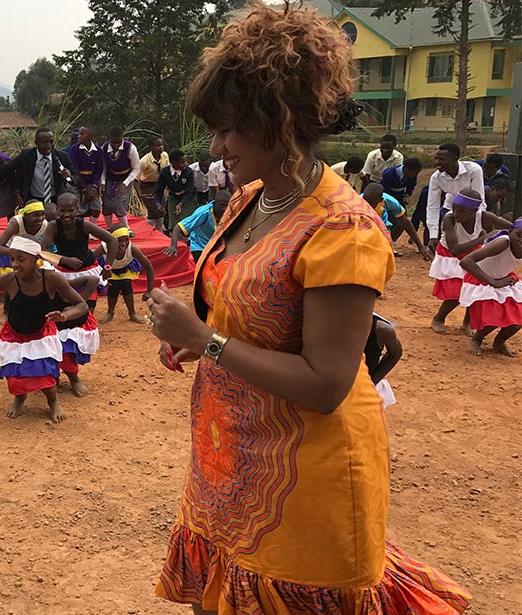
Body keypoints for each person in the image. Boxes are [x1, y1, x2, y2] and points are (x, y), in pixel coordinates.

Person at [145, 5, 470, 613]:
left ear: (280, 122)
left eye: (230, 129)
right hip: (231, 457)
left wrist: (208, 340)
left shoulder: (342, 228)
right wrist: (205, 333)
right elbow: (256, 308)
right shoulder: (251, 198)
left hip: (304, 477)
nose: (216, 147)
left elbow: (325, 384)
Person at [0, 236, 89, 422]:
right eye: (12, 259)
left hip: (41, 334)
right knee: (15, 375)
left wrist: (65, 316)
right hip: (14, 335)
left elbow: (81, 305)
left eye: (21, 259)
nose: (15, 264)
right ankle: (19, 396)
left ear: (35, 259)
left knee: (44, 375)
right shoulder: (8, 279)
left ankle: (53, 400)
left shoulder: (51, 278)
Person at [428, 189, 511, 334]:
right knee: (457, 291)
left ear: (474, 211)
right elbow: (455, 249)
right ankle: (439, 318)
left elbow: (509, 226)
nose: (456, 213)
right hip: (450, 256)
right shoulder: (450, 219)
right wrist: (483, 238)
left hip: (473, 253)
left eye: (461, 211)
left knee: (474, 289)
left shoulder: (484, 217)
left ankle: (467, 322)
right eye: (454, 209)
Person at [458, 219, 522, 356]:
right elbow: (466, 261)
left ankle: (499, 342)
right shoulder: (503, 243)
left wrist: (498, 282)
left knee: (518, 320)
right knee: (495, 317)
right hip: (481, 280)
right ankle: (477, 339)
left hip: (502, 279)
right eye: (519, 235)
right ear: (510, 231)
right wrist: (493, 282)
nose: (521, 241)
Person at [0, 127, 79, 207]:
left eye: (51, 141)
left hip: (56, 199)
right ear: (36, 143)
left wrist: (69, 176)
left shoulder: (61, 156)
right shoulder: (26, 155)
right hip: (33, 200)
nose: (48, 146)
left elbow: (76, 178)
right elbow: (5, 168)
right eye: (44, 142)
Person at [41, 192, 117, 296]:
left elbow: (112, 240)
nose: (66, 215)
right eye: (62, 210)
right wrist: (66, 260)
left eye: (71, 210)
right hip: (63, 271)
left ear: (77, 209)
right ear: (57, 210)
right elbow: (42, 249)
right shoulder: (53, 226)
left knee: (88, 307)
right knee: (64, 305)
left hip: (88, 269)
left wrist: (108, 266)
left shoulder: (84, 225)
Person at [426, 143, 486, 249]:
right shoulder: (436, 177)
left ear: (455, 158)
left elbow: (479, 200)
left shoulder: (473, 170)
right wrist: (433, 235)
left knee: (471, 246)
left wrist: (479, 226)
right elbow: (433, 206)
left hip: (471, 212)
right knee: (448, 245)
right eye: (437, 159)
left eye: (442, 159)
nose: (437, 163)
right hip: (450, 210)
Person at [95, 225, 154, 324]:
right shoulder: (104, 248)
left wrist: (149, 290)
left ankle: (132, 313)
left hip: (126, 268)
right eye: (119, 240)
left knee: (126, 285)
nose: (123, 244)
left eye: (126, 240)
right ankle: (110, 312)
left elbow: (148, 266)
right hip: (109, 270)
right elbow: (91, 258)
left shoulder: (132, 249)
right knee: (113, 288)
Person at [361, 183, 431, 260]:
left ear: (380, 200)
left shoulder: (390, 202)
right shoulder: (356, 201)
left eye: (371, 202)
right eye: (365, 201)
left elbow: (405, 222)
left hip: (381, 230)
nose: (367, 204)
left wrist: (420, 246)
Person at [164, 190, 231, 263]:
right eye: (222, 205)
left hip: (216, 246)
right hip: (200, 246)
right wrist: (173, 245)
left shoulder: (231, 211)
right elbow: (178, 227)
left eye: (227, 205)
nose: (224, 209)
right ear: (214, 203)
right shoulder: (203, 213)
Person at [100, 126, 141, 231]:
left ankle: (126, 228)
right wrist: (103, 182)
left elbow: (136, 169)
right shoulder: (104, 148)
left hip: (125, 178)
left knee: (118, 203)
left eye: (118, 142)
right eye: (113, 143)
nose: (116, 145)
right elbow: (103, 167)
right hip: (110, 178)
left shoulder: (130, 148)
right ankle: (109, 228)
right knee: (107, 204)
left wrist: (125, 183)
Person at [0, 201, 49, 274]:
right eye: (36, 215)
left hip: (29, 255)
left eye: (42, 214)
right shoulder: (16, 223)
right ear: (25, 216)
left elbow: (44, 247)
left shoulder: (45, 225)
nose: (40, 218)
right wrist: (16, 252)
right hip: (10, 255)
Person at [154, 150, 200, 231]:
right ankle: (175, 241)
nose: (185, 164)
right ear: (173, 163)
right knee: (173, 225)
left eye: (185, 161)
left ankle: (187, 242)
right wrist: (158, 203)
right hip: (173, 197)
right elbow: (158, 190)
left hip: (188, 199)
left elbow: (189, 191)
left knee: (187, 226)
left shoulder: (188, 172)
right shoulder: (165, 173)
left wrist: (181, 204)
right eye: (182, 162)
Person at [365, 313, 401, 408]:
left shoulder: (381, 329)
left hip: (365, 388)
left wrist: (372, 382)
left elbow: (395, 353)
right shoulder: (325, 322)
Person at [69, 126, 104, 219]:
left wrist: (94, 186)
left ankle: (92, 229)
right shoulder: (74, 149)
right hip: (77, 183)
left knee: (96, 208)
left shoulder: (98, 150)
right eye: (79, 134)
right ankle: (78, 228)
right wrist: (83, 190)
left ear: (90, 136)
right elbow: (75, 170)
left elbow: (98, 169)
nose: (79, 136)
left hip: (91, 183)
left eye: (82, 134)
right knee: (77, 208)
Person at [137, 136, 170, 228]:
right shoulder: (144, 161)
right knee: (152, 210)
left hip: (159, 184)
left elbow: (167, 170)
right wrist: (140, 193)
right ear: (151, 147)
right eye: (157, 145)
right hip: (147, 185)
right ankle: (149, 230)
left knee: (160, 209)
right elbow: (135, 178)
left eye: (162, 145)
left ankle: (159, 231)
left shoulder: (165, 155)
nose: (161, 147)